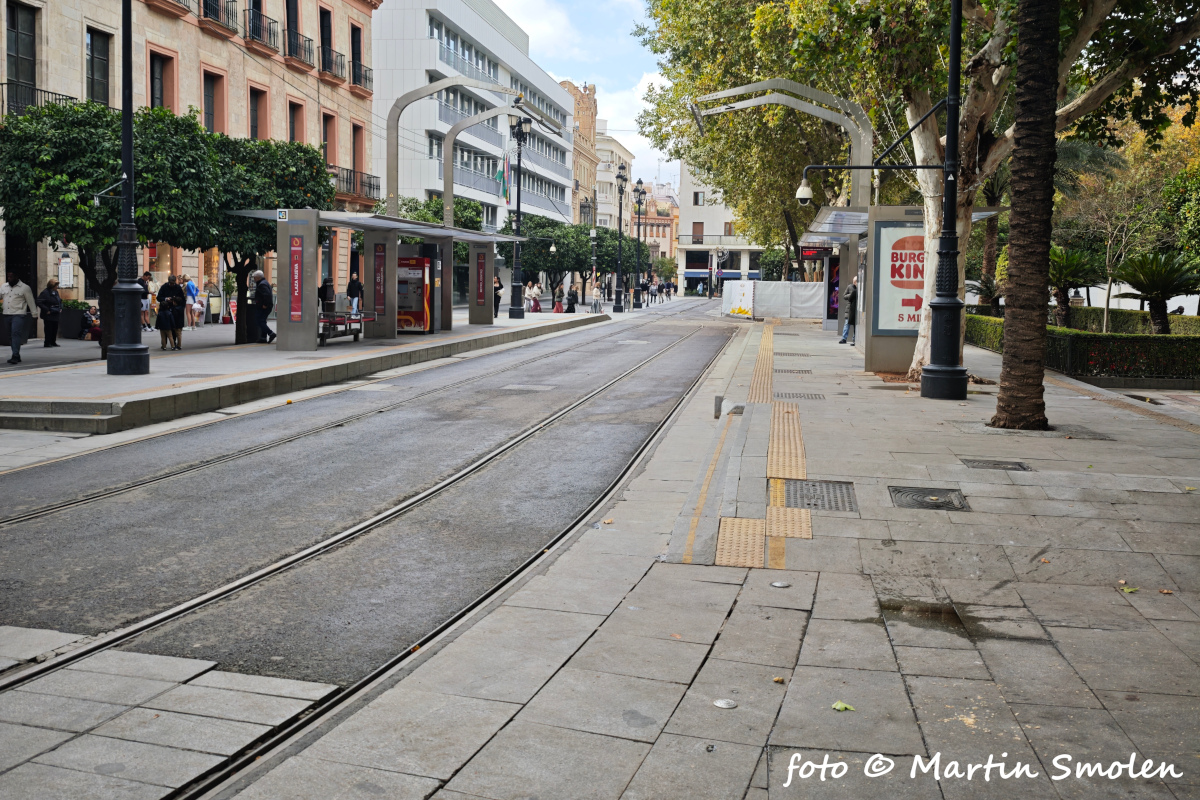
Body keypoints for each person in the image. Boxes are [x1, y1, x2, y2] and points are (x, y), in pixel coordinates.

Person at [2, 272, 36, 364]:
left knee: (15, 334)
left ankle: (15, 355)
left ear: (17, 277)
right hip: (7, 314)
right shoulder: (4, 286)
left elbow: (31, 301)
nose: (9, 278)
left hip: (18, 314)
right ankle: (15, 353)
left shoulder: (25, 288)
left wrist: (34, 315)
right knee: (10, 336)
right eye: (8, 276)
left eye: (11, 276)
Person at [156, 274, 185, 350]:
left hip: (175, 309)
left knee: (174, 328)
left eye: (173, 283)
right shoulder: (164, 287)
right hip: (165, 308)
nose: (172, 284)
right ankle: (164, 344)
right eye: (170, 283)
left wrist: (175, 299)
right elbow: (158, 297)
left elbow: (182, 299)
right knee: (166, 329)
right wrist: (166, 299)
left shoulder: (178, 287)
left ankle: (174, 344)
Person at [37, 278, 63, 348]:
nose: (57, 287)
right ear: (52, 286)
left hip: (55, 313)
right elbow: (39, 302)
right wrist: (46, 310)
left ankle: (53, 341)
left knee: (55, 328)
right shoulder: (45, 292)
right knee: (48, 329)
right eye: (56, 285)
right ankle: (47, 342)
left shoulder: (56, 292)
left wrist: (60, 308)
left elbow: (59, 301)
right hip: (49, 314)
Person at [253, 270, 276, 343]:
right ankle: (263, 337)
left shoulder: (262, 284)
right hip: (265, 306)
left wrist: (265, 304)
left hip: (264, 306)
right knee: (262, 321)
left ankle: (271, 333)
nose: (254, 279)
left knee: (259, 321)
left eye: (254, 277)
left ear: (258, 277)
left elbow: (267, 295)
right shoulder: (264, 282)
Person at [839, 275, 858, 345]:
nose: (856, 283)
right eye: (855, 281)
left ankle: (854, 339)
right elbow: (844, 296)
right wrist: (851, 295)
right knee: (847, 323)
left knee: (855, 325)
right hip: (849, 308)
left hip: (857, 309)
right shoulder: (850, 287)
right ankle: (844, 338)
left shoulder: (860, 288)